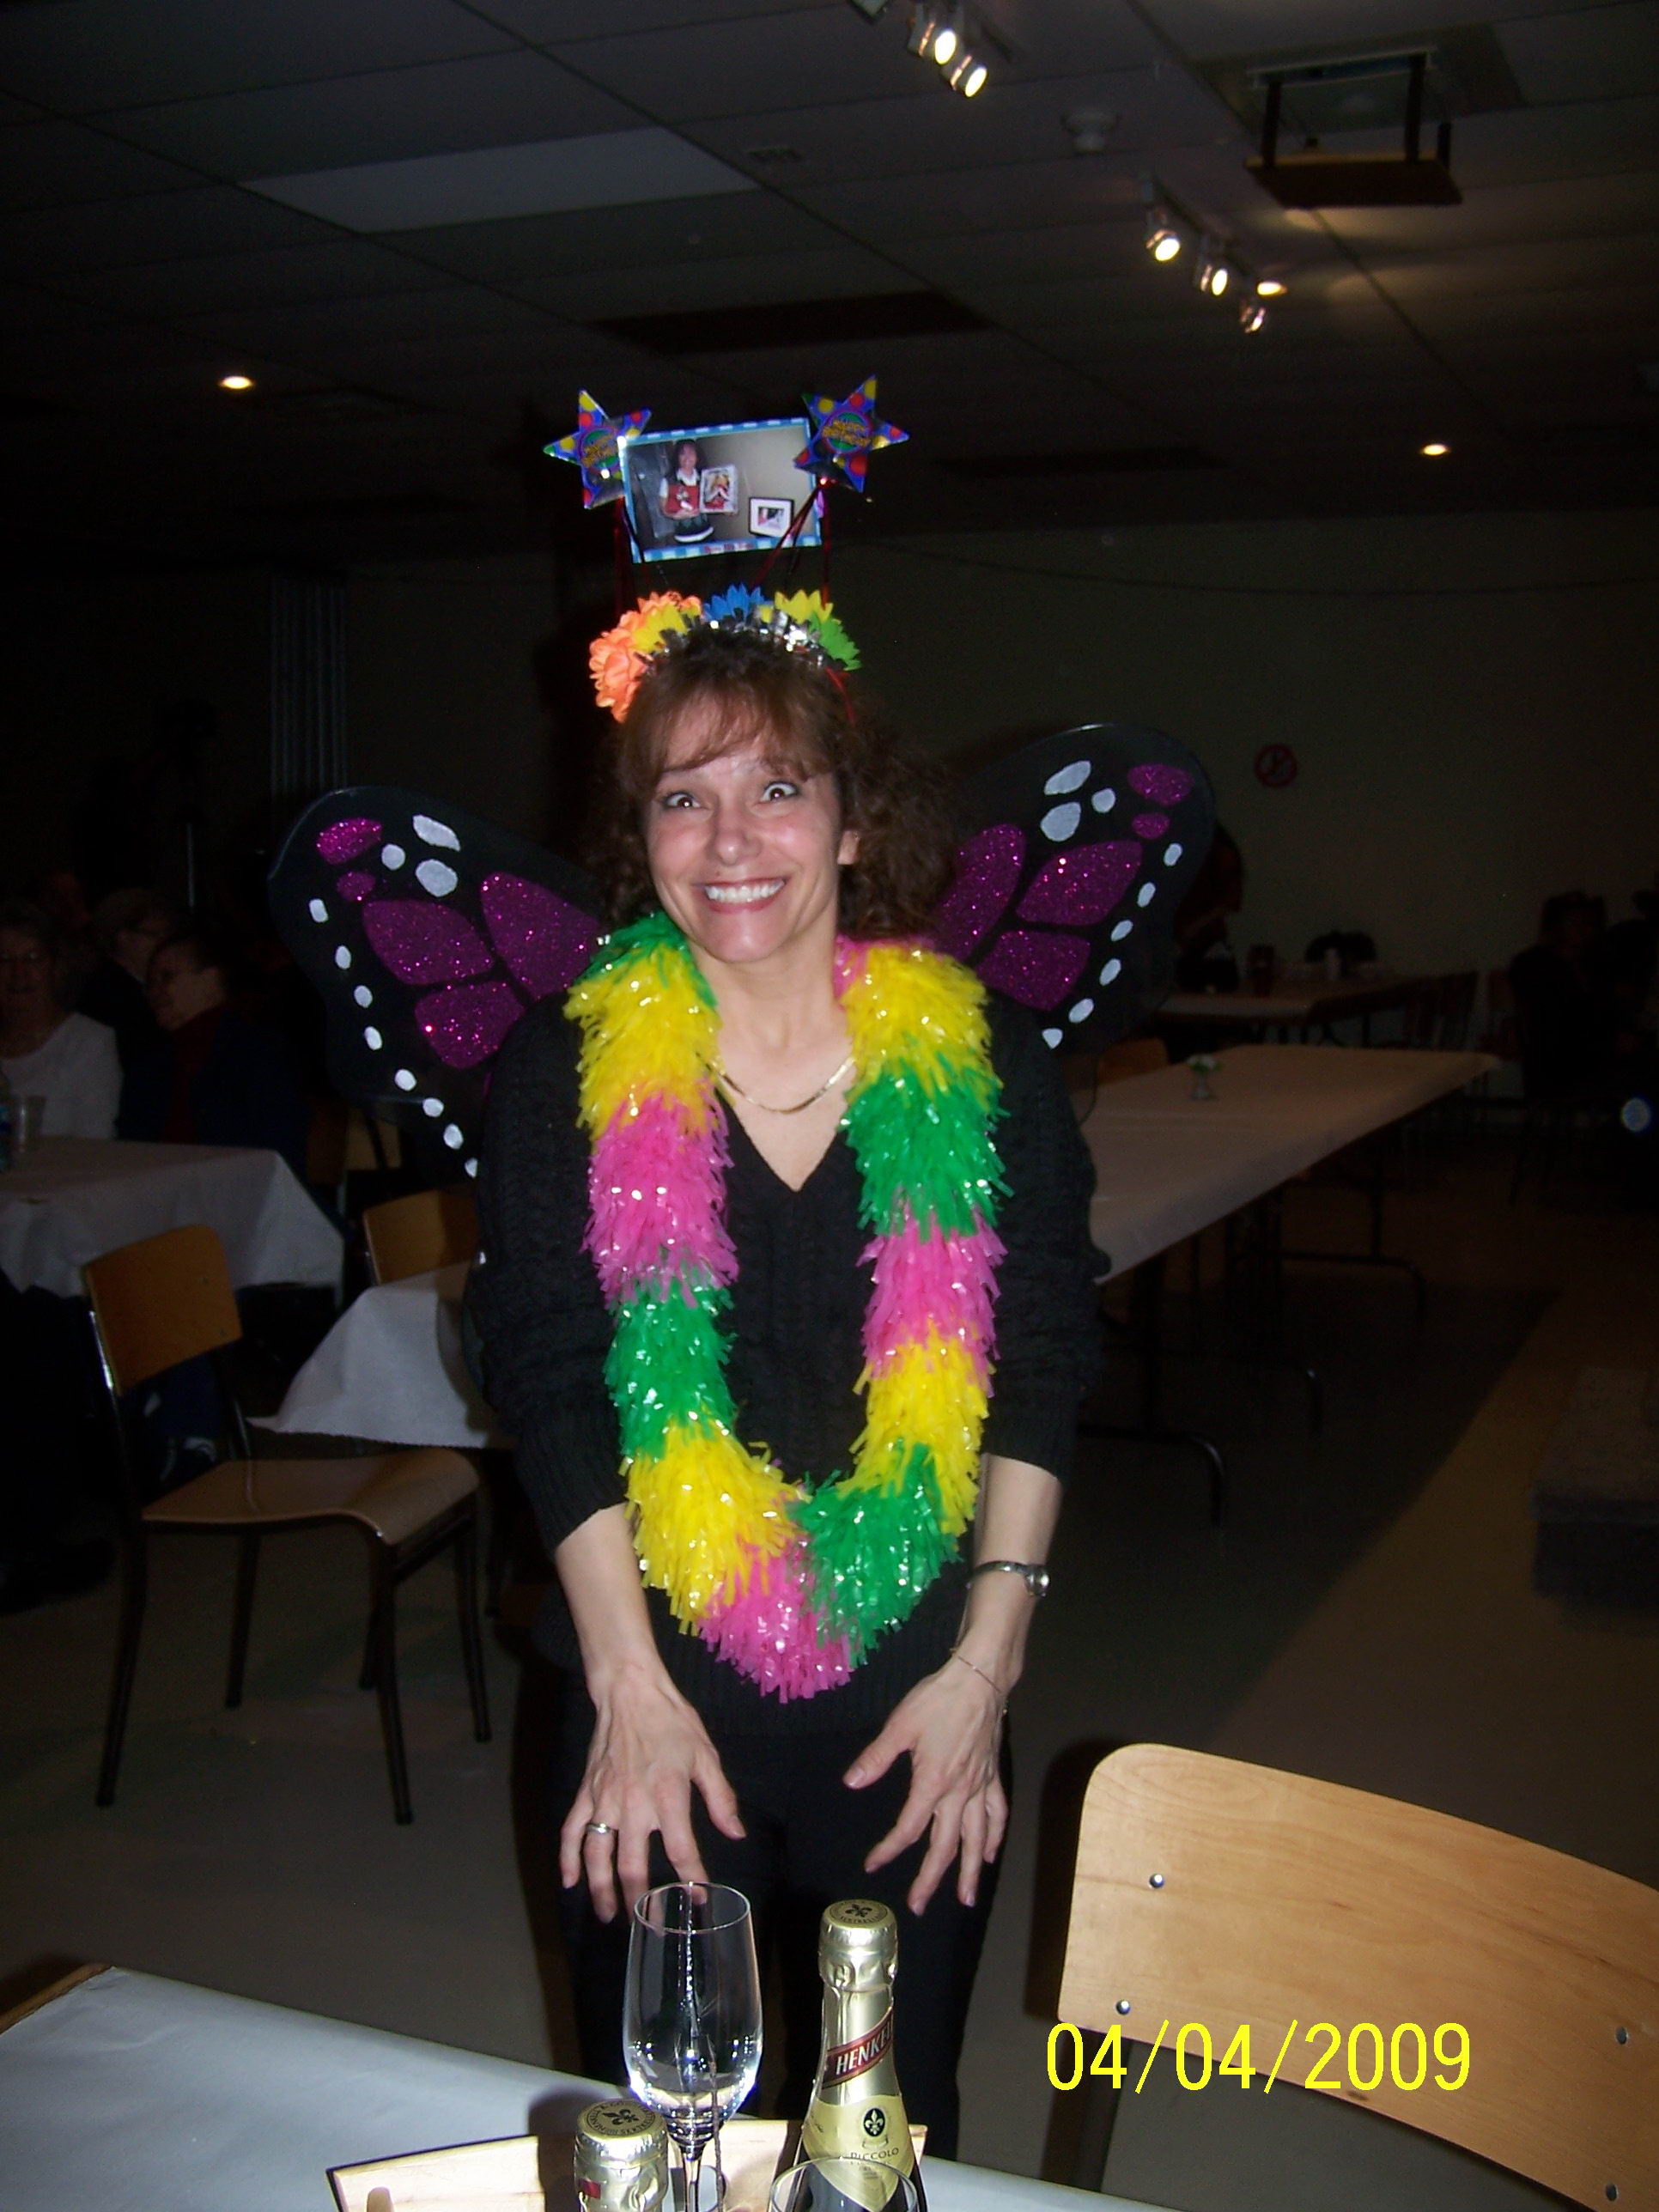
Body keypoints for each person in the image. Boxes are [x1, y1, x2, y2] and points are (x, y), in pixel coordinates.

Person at [468, 598, 1098, 2153]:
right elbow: (548, 1373)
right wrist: (624, 1688)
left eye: (777, 787)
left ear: (853, 819)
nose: (731, 840)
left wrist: (987, 1671)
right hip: (650, 1672)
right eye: (683, 796)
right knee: (676, 2113)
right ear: (641, 836)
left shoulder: (984, 1059)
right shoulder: (563, 1067)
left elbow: (1040, 1352)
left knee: (891, 2120)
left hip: (921, 1682)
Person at [118, 921, 309, 1176]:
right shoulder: (152, 1063)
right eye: (150, 983)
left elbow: (274, 1149)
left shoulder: (257, 1053)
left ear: (212, 979)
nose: (155, 992)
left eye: (167, 977)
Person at [0, 899, 120, 1139]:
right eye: (4, 959)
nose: (18, 972)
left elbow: (95, 1143)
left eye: (32, 958)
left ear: (56, 967)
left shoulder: (88, 1043)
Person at [79, 887, 174, 1068]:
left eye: (168, 935)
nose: (165, 943)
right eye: (155, 935)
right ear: (124, 938)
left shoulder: (143, 988)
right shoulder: (109, 996)